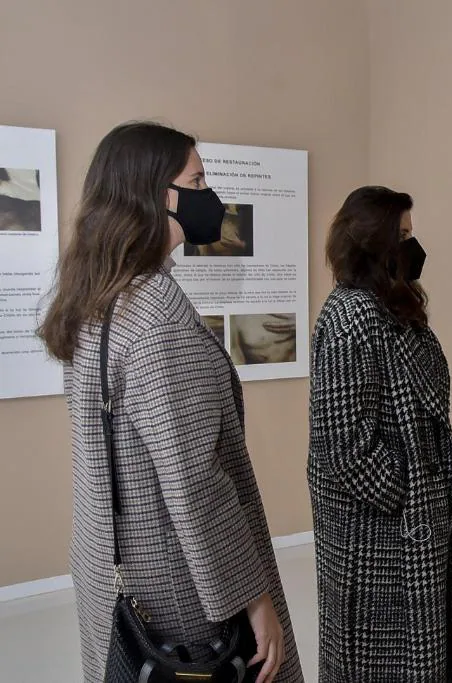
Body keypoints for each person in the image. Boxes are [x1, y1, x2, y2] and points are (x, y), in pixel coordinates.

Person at [37, 122, 303, 683]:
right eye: (198, 179)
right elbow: (192, 483)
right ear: (161, 196)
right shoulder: (155, 314)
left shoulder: (96, 295)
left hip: (115, 566)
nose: (211, 195)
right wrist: (254, 599)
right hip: (178, 586)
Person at [308, 186, 452, 681]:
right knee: (379, 659)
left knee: (413, 653)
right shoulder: (353, 317)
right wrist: (411, 489)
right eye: (401, 236)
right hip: (376, 532)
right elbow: (347, 448)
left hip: (407, 525)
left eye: (411, 236)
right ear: (372, 241)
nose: (411, 248)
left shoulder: (390, 306)